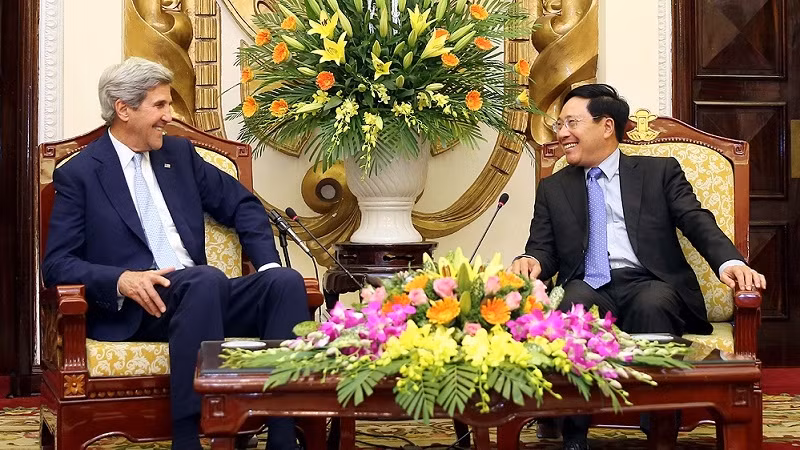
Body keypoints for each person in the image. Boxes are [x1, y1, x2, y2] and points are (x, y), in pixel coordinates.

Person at [42, 57, 310, 450]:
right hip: (142, 307)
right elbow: (57, 263)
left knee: (284, 282)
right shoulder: (80, 173)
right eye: (160, 105)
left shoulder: (180, 156)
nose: (170, 116)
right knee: (204, 279)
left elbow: (245, 205)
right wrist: (121, 280)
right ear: (123, 108)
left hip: (204, 295)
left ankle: (284, 436)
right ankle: (190, 435)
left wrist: (267, 264)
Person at [511, 84, 765, 450]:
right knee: (574, 304)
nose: (562, 133)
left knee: (654, 302)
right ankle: (574, 434)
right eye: (559, 125)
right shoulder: (554, 188)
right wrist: (531, 260)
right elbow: (543, 249)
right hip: (590, 283)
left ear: (606, 126)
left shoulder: (658, 172)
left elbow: (696, 220)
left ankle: (661, 430)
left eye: (572, 123)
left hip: (649, 281)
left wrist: (729, 261)